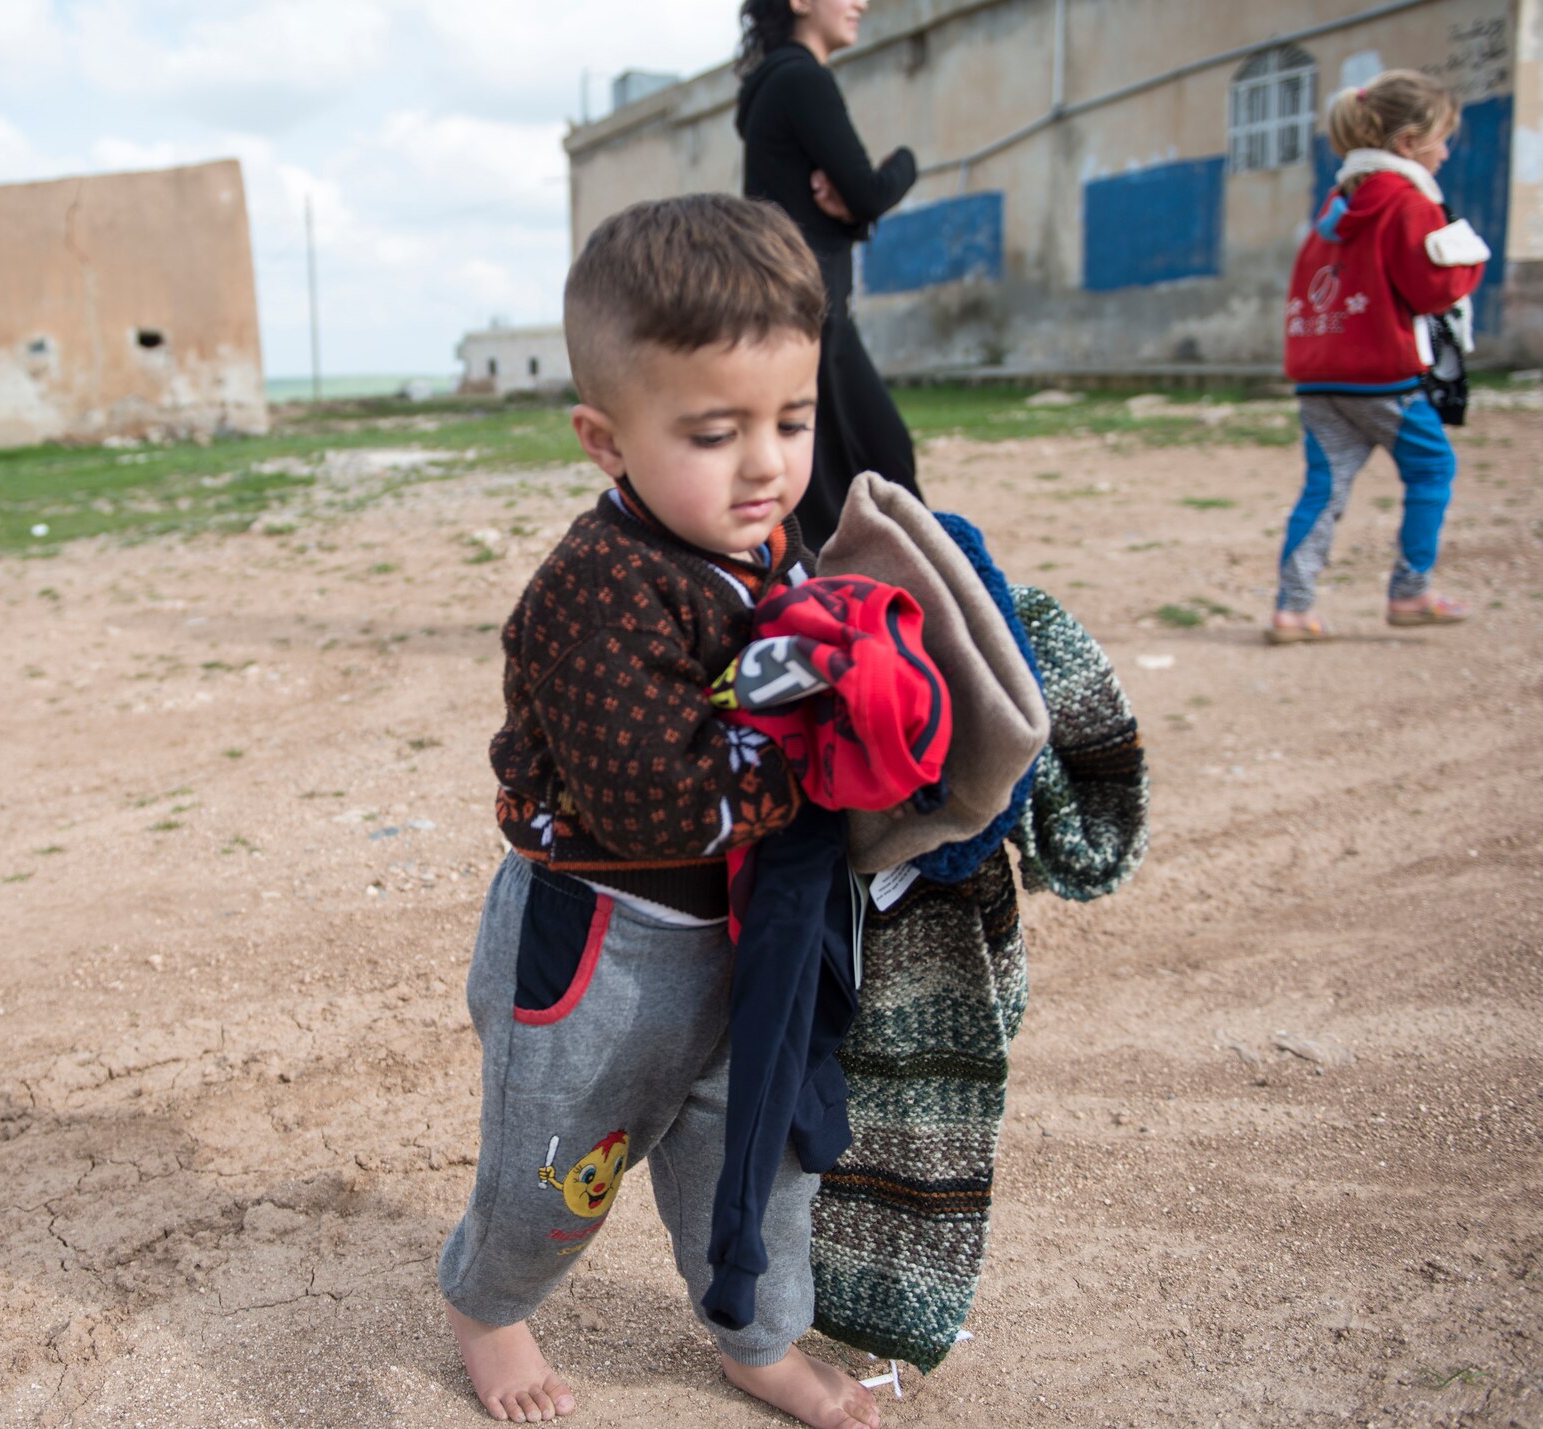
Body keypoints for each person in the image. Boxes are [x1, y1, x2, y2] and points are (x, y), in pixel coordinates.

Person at [438, 193, 885, 1429]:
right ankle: (489, 1302)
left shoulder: (763, 538)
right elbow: (661, 794)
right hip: (602, 945)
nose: (764, 463)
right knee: (559, 1166)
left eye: (790, 420)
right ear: (604, 436)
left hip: (749, 934)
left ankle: (754, 1333)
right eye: (713, 431)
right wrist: (826, 755)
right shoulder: (595, 590)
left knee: (760, 1157)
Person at [1269, 69, 1487, 644]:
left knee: (1324, 489)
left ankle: (1292, 609)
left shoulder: (1337, 204)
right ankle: (1411, 592)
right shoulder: (1410, 202)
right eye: (1441, 139)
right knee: (1432, 468)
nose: (1445, 153)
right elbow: (1432, 290)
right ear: (1407, 144)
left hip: (1320, 374)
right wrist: (1471, 262)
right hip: (1384, 376)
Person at [736, 0, 921, 546]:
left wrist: (852, 210)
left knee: (839, 471)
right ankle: (891, 601)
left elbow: (848, 202)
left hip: (798, 306)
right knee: (875, 466)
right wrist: (906, 161)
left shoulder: (773, 85)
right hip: (815, 310)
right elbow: (868, 191)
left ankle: (861, 597)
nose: (861, 3)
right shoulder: (802, 81)